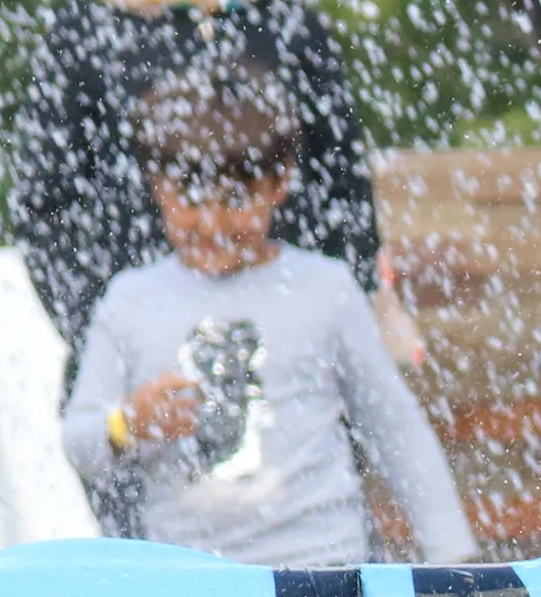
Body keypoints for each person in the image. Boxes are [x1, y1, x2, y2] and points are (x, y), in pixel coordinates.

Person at [62, 62, 475, 566]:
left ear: (280, 183)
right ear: (156, 188)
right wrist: (127, 423)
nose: (212, 223)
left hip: (323, 568)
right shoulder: (131, 300)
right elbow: (79, 442)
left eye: (236, 200)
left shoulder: (324, 290)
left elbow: (395, 426)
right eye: (189, 201)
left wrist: (455, 556)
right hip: (188, 577)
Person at [15, 0, 385, 357]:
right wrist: (108, 331)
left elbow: (346, 193)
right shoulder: (88, 35)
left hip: (291, 347)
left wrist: (322, 325)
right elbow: (46, 205)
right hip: (145, 348)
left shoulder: (292, 26)